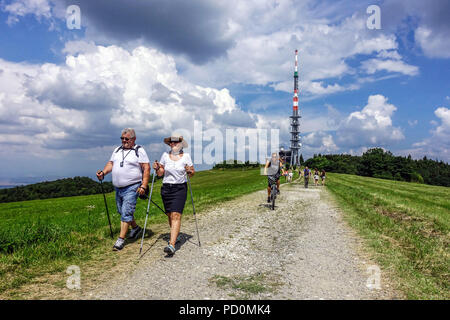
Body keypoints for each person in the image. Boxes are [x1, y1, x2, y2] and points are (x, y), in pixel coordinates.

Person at [96, 128, 150, 251]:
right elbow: (111, 164)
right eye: (122, 138)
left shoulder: (139, 150)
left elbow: (146, 168)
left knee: (126, 212)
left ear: (134, 139)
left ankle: (120, 240)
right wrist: (103, 173)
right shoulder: (117, 150)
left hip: (133, 186)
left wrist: (144, 185)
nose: (124, 141)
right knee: (122, 211)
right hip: (118, 188)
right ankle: (136, 229)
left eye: (127, 138)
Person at [153, 133, 194, 256]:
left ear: (181, 144)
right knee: (170, 215)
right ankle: (176, 236)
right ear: (169, 144)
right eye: (171, 142)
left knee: (176, 215)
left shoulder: (186, 156)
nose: (173, 144)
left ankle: (171, 244)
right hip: (166, 188)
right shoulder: (165, 156)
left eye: (176, 142)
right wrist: (156, 168)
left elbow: (192, 173)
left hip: (180, 188)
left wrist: (189, 171)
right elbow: (160, 174)